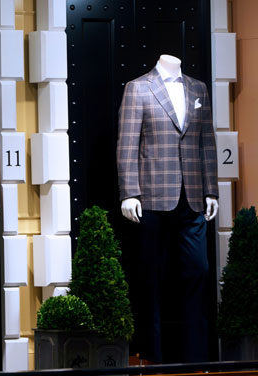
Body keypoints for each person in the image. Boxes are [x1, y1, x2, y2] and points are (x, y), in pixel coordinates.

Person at [117, 54, 218, 363]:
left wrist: (211, 189)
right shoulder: (138, 87)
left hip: (193, 196)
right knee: (151, 276)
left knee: (198, 271)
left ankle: (196, 358)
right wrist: (129, 192)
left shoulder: (198, 88)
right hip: (152, 197)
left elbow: (206, 142)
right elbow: (127, 142)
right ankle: (153, 357)